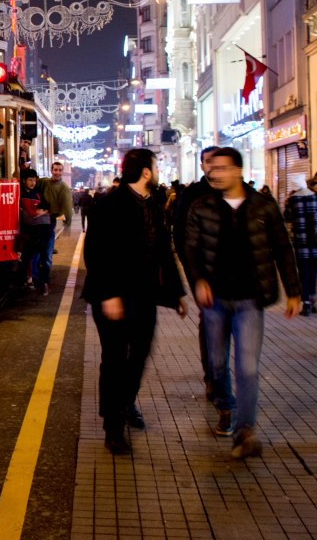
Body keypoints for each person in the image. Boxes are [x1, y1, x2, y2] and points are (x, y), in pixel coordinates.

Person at [185, 147, 301, 460]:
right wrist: (198, 280)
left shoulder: (263, 206)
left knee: (248, 368)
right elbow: (191, 249)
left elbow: (282, 249)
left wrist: (294, 291)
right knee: (217, 362)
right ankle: (225, 406)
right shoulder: (201, 206)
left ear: (237, 170)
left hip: (251, 298)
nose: (216, 173)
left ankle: (245, 430)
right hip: (216, 300)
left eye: (222, 168)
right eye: (213, 168)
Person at [83, 148, 187, 455]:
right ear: (145, 171)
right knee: (114, 359)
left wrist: (178, 292)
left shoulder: (154, 204)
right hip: (112, 296)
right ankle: (112, 427)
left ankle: (125, 403)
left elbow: (164, 251)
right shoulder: (109, 204)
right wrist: (110, 294)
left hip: (144, 295)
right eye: (155, 167)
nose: (157, 172)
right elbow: (96, 253)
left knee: (140, 353)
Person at [173, 145, 220, 399]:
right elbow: (180, 236)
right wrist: (194, 276)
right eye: (208, 161)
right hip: (203, 273)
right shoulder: (193, 194)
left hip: (235, 276)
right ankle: (213, 378)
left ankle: (220, 378)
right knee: (211, 321)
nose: (213, 166)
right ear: (202, 165)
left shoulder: (236, 191)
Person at [284, 175, 317, 316]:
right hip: (316, 243)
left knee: (303, 273)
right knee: (313, 272)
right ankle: (313, 297)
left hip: (301, 243)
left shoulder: (293, 200)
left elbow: (287, 217)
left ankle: (306, 304)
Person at [38, 161, 74, 279]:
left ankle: (45, 281)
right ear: (51, 170)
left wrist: (68, 222)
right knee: (38, 251)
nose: (57, 172)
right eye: (55, 170)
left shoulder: (64, 188)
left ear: (62, 172)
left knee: (47, 253)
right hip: (37, 220)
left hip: (49, 220)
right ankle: (36, 277)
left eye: (59, 170)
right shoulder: (44, 182)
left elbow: (68, 206)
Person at [18, 168, 51, 294]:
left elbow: (46, 208)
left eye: (34, 180)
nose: (33, 183)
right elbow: (30, 214)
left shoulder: (38, 193)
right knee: (27, 257)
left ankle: (42, 282)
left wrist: (41, 212)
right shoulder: (20, 193)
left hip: (40, 231)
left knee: (42, 257)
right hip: (28, 231)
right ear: (24, 180)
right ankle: (30, 280)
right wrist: (39, 213)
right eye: (30, 180)